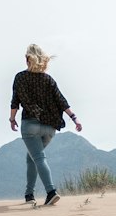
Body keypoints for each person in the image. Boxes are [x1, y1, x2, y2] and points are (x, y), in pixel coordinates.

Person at [9, 44, 83, 206]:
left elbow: (15, 102)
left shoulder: (20, 77)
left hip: (30, 125)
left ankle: (51, 192)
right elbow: (61, 100)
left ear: (28, 59)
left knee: (39, 158)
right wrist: (74, 118)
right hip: (49, 127)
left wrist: (12, 119)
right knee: (32, 158)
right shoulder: (48, 79)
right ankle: (29, 195)